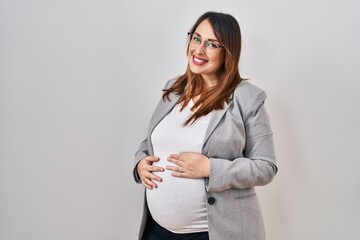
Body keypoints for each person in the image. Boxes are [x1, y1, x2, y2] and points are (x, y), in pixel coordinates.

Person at [132, 11, 277, 240]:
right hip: (157, 231)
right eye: (196, 38)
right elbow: (152, 141)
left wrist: (211, 168)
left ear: (228, 52)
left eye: (212, 44)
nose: (198, 50)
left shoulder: (247, 99)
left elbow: (265, 167)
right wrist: (140, 163)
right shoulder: (175, 89)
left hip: (213, 233)